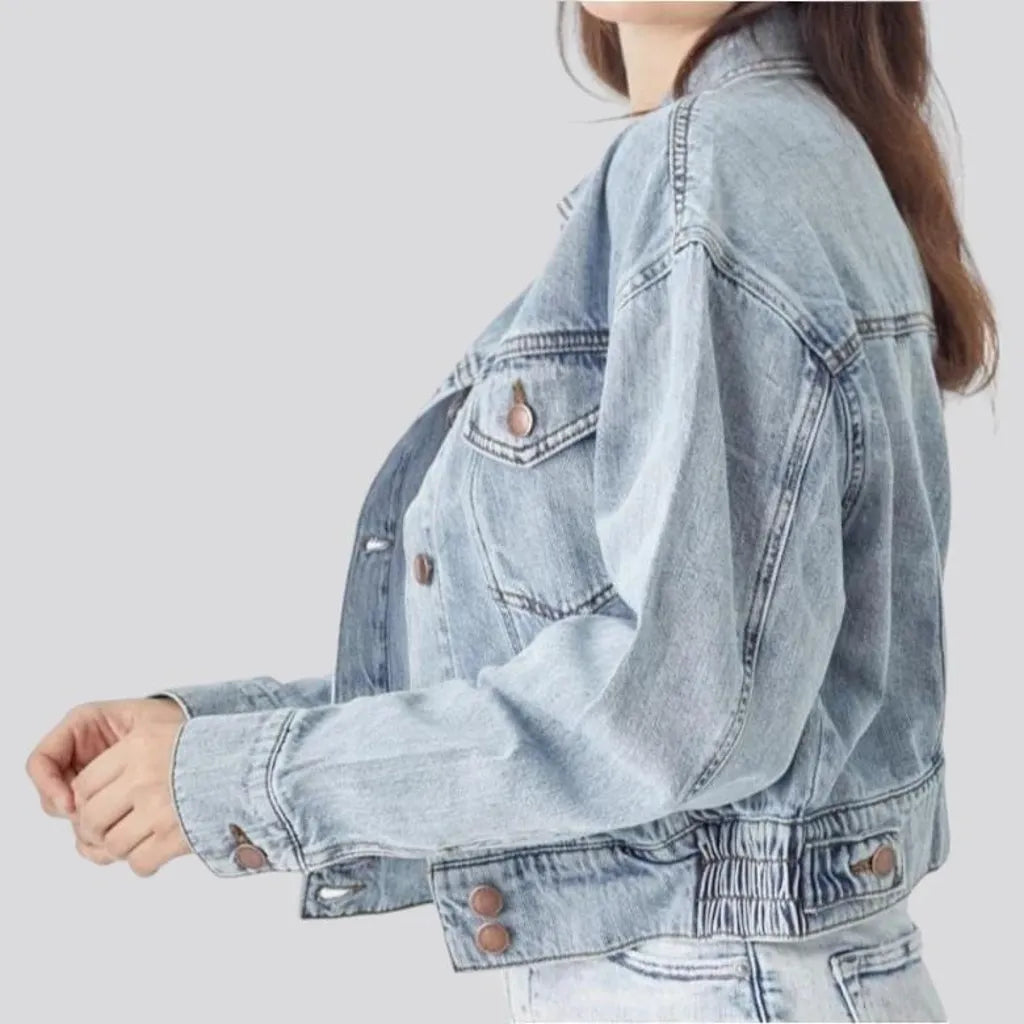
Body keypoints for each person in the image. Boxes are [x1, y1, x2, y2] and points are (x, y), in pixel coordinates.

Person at [26, 3, 997, 1021]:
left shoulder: (715, 164)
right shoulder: (790, 149)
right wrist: (207, 737)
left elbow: (671, 712)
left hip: (708, 986)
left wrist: (242, 780)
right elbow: (606, 670)